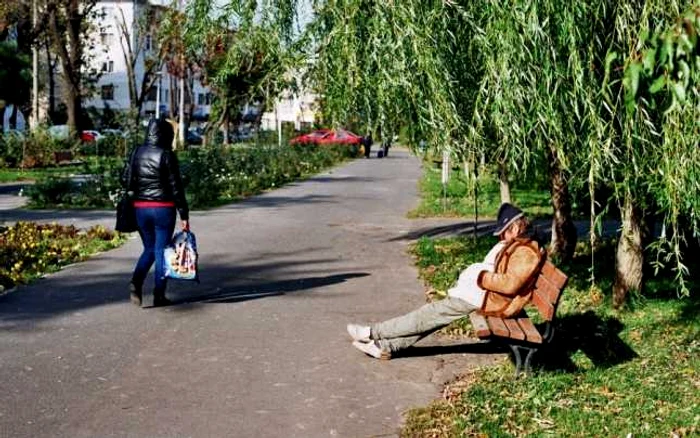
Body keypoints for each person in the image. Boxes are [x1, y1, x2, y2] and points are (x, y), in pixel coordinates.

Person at [347, 203, 544, 359]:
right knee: (433, 317)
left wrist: (479, 277)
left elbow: (510, 284)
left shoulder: (526, 251)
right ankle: (385, 346)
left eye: (505, 231)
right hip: (487, 295)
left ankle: (373, 333)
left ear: (516, 226)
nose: (502, 236)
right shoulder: (521, 245)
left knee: (429, 314)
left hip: (491, 299)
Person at [122, 118, 190, 307]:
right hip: (163, 209)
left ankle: (136, 282)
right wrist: (184, 215)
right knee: (161, 251)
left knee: (149, 249)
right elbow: (176, 187)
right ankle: (159, 295)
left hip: (140, 209)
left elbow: (124, 179)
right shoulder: (166, 155)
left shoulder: (136, 152)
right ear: (165, 134)